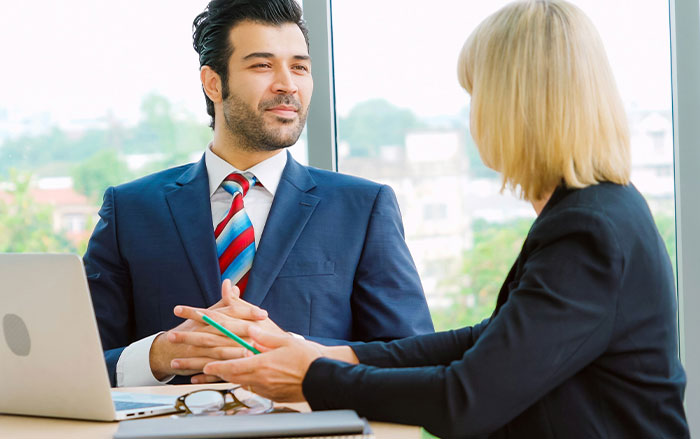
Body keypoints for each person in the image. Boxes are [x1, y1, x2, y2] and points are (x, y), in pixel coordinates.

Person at [193, 1, 690, 437]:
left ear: (513, 106)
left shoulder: (589, 231)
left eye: (477, 97)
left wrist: (310, 378)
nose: (473, 119)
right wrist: (323, 354)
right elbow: (485, 339)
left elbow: (464, 400)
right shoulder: (597, 213)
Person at [83, 0, 433, 388]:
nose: (288, 84)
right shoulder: (130, 210)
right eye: (263, 65)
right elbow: (75, 363)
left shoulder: (363, 208)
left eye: (299, 66)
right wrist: (161, 354)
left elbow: (411, 357)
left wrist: (297, 351)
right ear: (213, 82)